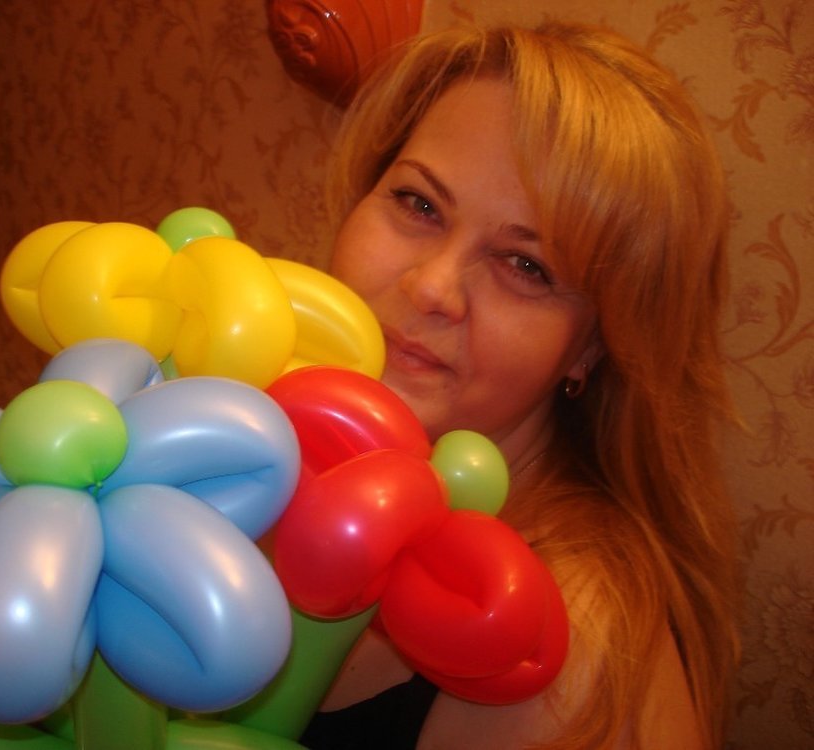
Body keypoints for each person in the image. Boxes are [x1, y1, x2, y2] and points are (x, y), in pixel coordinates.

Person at [297, 20, 740, 750]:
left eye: (526, 267)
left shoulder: (566, 652)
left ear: (591, 346)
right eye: (418, 204)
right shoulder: (267, 449)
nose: (432, 286)